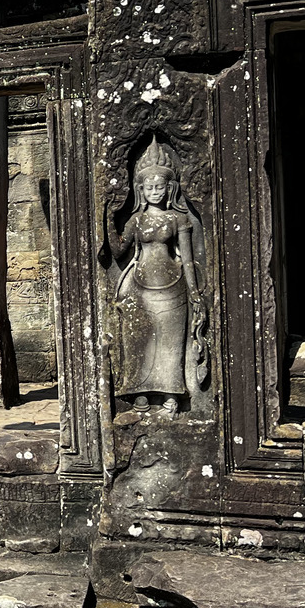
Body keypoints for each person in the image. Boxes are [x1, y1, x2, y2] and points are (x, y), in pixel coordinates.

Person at [113, 137, 207, 414]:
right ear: (141, 190)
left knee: (170, 342)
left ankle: (172, 394)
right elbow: (120, 251)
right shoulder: (136, 220)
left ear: (170, 188)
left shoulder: (179, 219)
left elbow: (188, 260)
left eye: (160, 187)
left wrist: (195, 292)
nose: (155, 191)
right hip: (140, 286)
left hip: (173, 285)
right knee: (138, 340)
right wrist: (106, 217)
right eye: (150, 187)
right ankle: (139, 390)